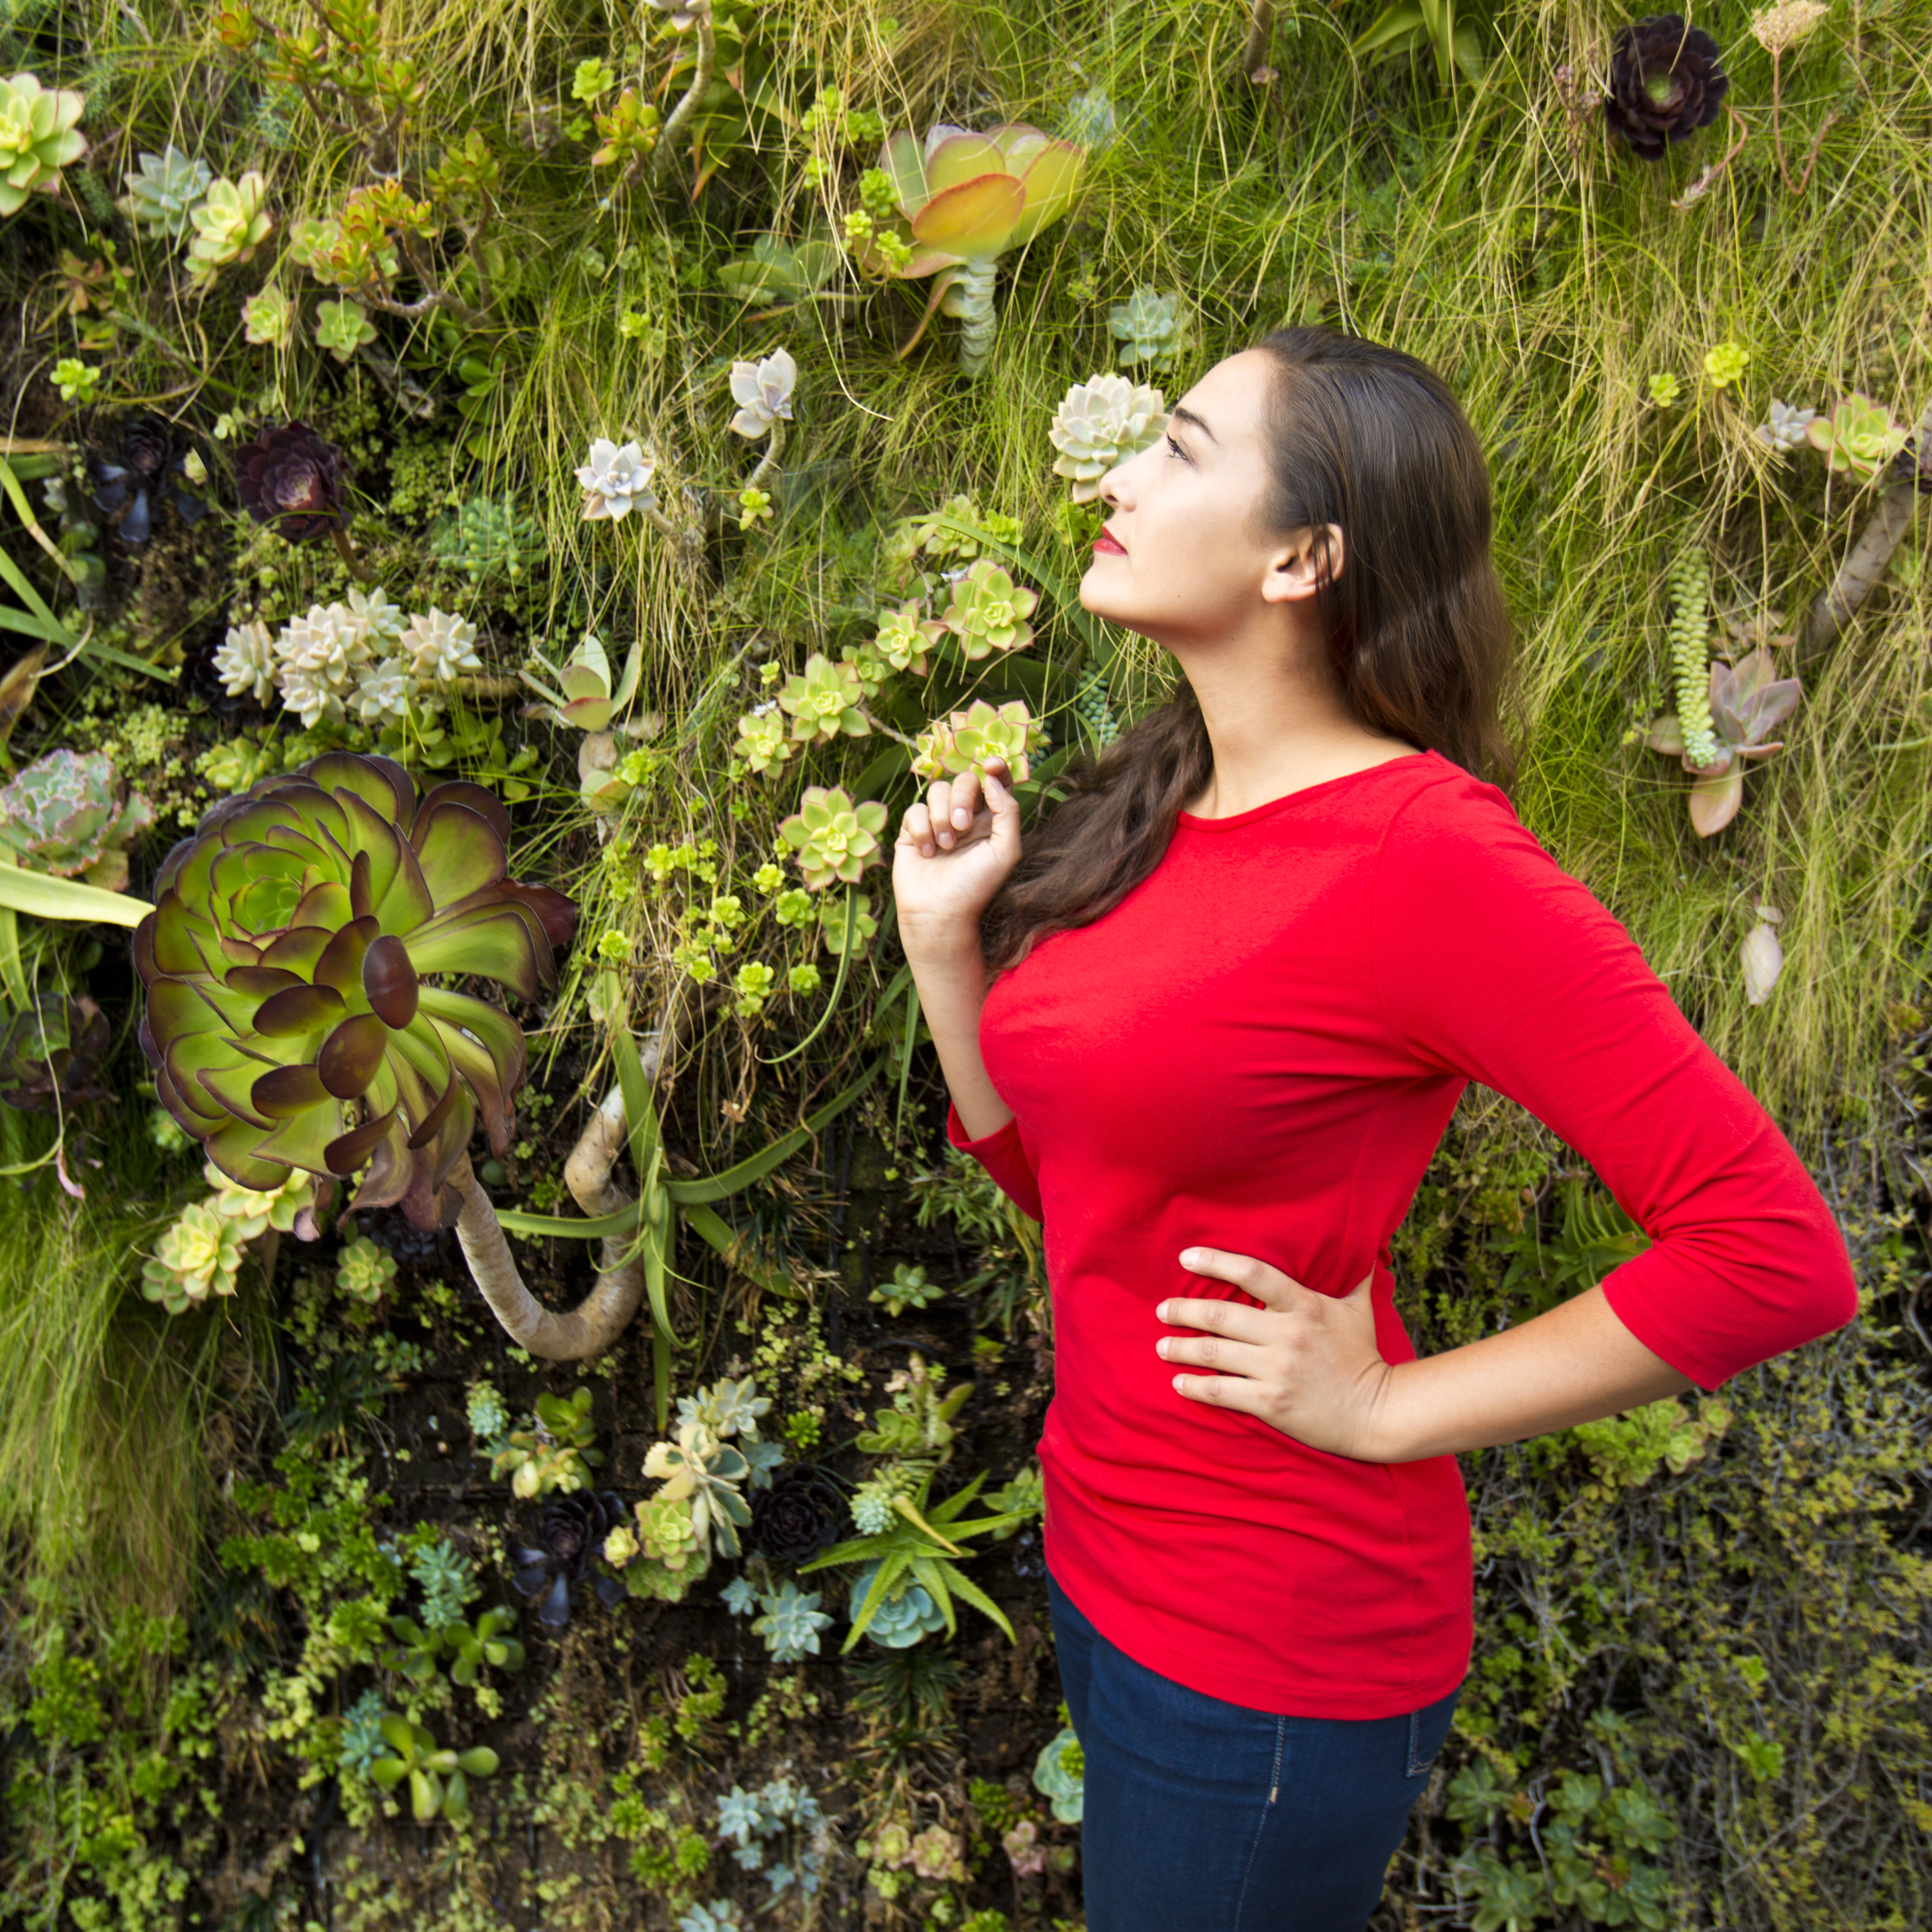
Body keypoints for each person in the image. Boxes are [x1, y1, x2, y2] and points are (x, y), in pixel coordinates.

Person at [889, 327, 1858, 1931]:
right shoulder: (1166, 801)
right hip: (1110, 1565)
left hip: (1272, 1654)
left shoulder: (1425, 860)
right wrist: (945, 946)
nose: (1116, 477)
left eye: (1183, 450)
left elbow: (1774, 1258)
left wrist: (1388, 1408)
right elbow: (1072, 1197)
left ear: (1305, 557)